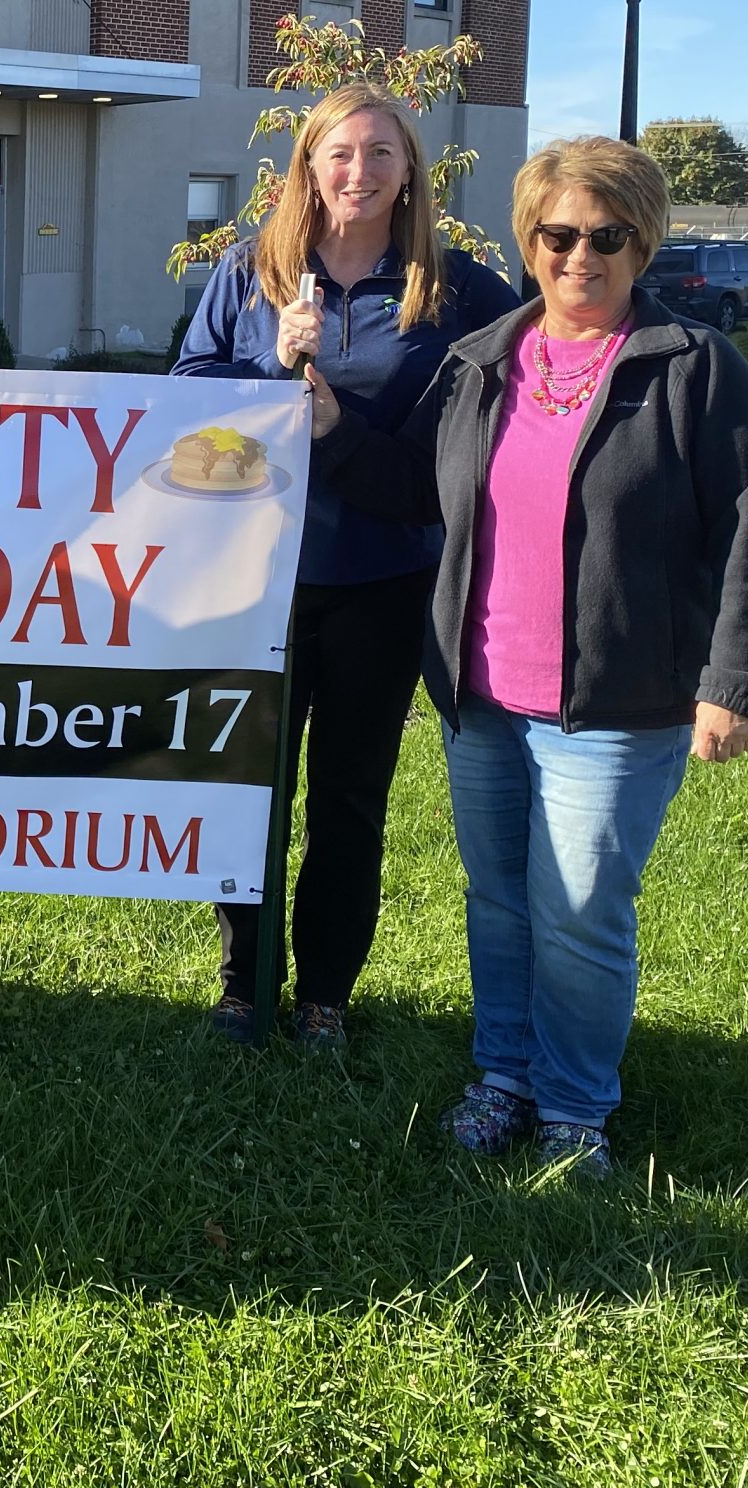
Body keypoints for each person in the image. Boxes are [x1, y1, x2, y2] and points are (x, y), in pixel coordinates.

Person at [304, 136, 748, 1176]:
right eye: (558, 234)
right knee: (498, 900)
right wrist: (332, 428)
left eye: (606, 236)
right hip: (482, 693)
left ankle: (575, 1110)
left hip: (617, 702)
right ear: (529, 243)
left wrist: (736, 683)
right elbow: (413, 493)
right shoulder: (482, 360)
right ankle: (502, 1078)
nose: (581, 256)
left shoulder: (695, 370)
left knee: (577, 917)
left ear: (641, 242)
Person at [173, 83, 519, 1050]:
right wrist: (268, 375)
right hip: (255, 583)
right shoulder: (252, 270)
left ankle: (324, 990)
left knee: (348, 798)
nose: (357, 172)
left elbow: (476, 438)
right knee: (249, 790)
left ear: (410, 169)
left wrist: (332, 421)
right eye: (338, 153)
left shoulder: (456, 291)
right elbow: (186, 397)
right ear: (308, 167)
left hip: (382, 578)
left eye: (378, 153)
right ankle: (244, 985)